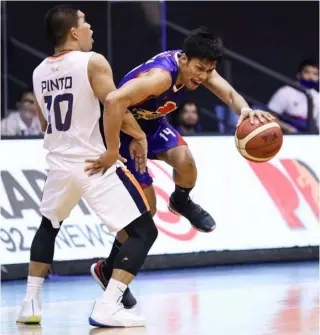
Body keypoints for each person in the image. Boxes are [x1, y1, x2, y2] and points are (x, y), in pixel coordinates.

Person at [88, 26, 275, 308]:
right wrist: (114, 148)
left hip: (151, 123)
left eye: (208, 70)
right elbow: (113, 101)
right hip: (126, 127)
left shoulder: (202, 68)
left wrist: (245, 110)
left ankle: (180, 200)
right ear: (184, 59)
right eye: (199, 68)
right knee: (144, 212)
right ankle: (107, 270)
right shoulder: (160, 77)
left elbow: (230, 95)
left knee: (186, 162)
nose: (202, 77)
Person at [17, 5, 158, 328]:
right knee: (144, 229)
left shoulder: (39, 71)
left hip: (58, 163)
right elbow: (115, 104)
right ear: (73, 32)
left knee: (49, 226)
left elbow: (43, 121)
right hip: (94, 163)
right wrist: (130, 140)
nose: (91, 28)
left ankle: (30, 303)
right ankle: (109, 304)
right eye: (85, 23)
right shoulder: (92, 62)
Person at [268, 59, 319, 133]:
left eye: (315, 74)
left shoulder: (318, 97)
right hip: (284, 134)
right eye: (307, 72)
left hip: (307, 136)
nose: (311, 77)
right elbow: (270, 117)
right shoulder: (285, 91)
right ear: (299, 75)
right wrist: (288, 128)